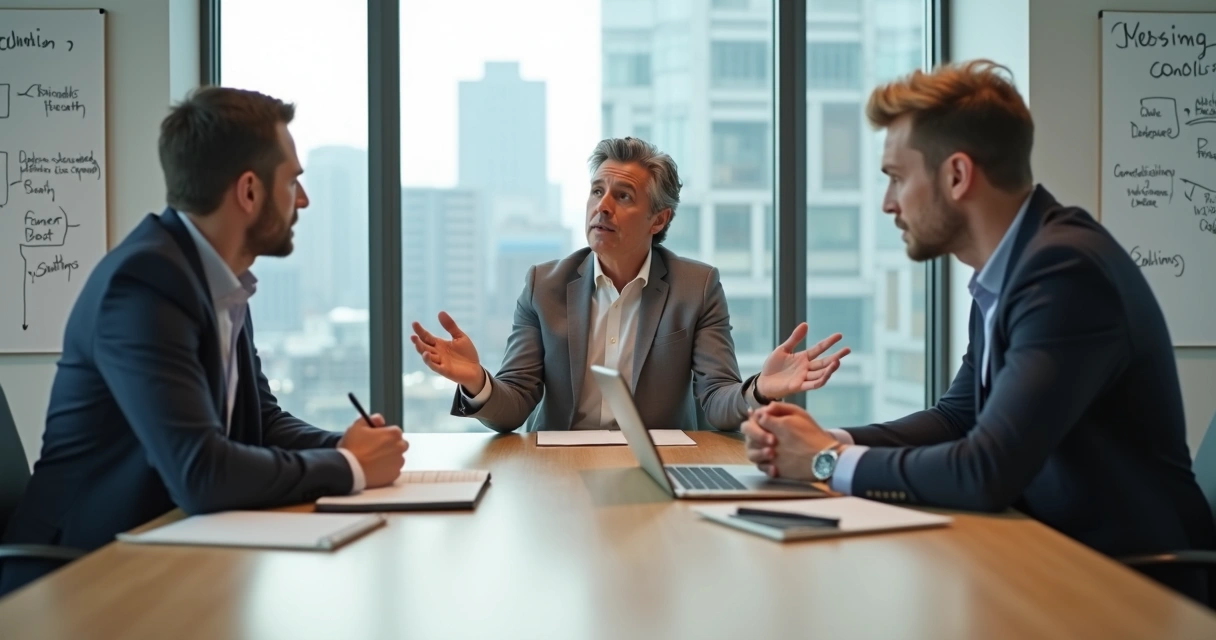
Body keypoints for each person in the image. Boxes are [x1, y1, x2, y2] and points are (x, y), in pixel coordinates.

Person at [743, 60, 1215, 601]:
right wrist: (828, 439)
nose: (888, 203)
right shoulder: (1010, 269)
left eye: (897, 177)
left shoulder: (1065, 273)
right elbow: (957, 418)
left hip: (1131, 587)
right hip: (1048, 558)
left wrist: (826, 460)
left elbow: (987, 469)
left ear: (957, 175)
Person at [1, 87, 407, 594]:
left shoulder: (218, 280)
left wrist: (348, 446)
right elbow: (201, 473)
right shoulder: (143, 284)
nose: (302, 199)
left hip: (161, 552)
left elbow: (262, 424)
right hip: (73, 578)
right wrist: (349, 466)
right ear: (249, 192)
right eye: (292, 181)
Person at [411, 137, 849, 432]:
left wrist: (760, 390)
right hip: (559, 468)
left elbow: (717, 402)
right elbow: (514, 405)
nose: (602, 206)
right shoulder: (544, 285)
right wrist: (476, 380)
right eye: (596, 191)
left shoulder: (697, 287)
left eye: (622, 196)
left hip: (659, 468)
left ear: (659, 220)